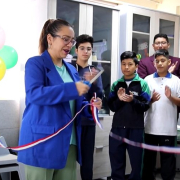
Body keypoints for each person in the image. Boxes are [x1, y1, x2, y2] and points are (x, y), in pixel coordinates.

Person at [17, 19, 102, 180]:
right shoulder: (36, 64)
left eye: (72, 41)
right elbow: (35, 94)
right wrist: (73, 89)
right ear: (50, 39)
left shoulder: (71, 69)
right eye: (65, 39)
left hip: (68, 143)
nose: (69, 44)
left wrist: (90, 106)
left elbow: (74, 103)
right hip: (42, 142)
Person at [108, 51, 150, 180]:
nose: (126, 67)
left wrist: (133, 100)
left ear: (136, 66)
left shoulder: (142, 84)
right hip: (117, 128)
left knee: (136, 163)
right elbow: (112, 107)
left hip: (136, 129)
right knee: (116, 161)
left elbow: (146, 106)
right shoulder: (116, 84)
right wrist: (119, 99)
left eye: (130, 64)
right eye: (123, 64)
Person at [142, 49, 180, 180]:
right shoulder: (147, 80)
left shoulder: (176, 80)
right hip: (149, 128)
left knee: (168, 165)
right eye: (157, 61)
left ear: (169, 62)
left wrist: (171, 98)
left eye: (163, 61)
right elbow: (142, 102)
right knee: (148, 163)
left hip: (168, 129)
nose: (160, 63)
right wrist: (151, 100)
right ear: (154, 63)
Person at [71, 34, 103, 180]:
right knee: (68, 159)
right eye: (82, 48)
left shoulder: (94, 71)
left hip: (89, 120)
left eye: (89, 49)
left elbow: (100, 94)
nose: (85, 51)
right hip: (70, 121)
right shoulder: (69, 68)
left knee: (87, 160)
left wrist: (99, 101)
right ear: (76, 50)